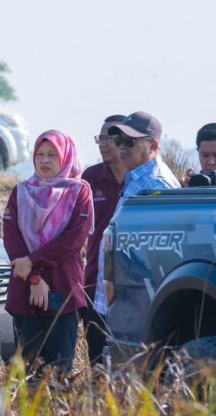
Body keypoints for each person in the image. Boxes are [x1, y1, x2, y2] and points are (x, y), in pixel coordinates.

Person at [3, 130, 93, 370]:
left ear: (65, 157)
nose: (44, 161)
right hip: (24, 291)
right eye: (40, 154)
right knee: (27, 373)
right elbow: (12, 238)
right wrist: (33, 277)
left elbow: (72, 240)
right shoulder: (21, 192)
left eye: (52, 155)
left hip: (62, 290)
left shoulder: (79, 192)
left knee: (59, 373)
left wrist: (32, 262)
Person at [93, 111, 181, 320]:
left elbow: (162, 249)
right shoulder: (137, 177)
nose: (122, 146)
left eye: (130, 141)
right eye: (119, 139)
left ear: (153, 146)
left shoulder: (157, 184)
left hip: (138, 303)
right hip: (120, 301)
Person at [81, 115, 127, 364]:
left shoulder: (140, 179)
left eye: (110, 137)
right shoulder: (91, 177)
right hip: (94, 277)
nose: (104, 143)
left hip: (131, 279)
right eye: (101, 138)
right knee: (96, 352)